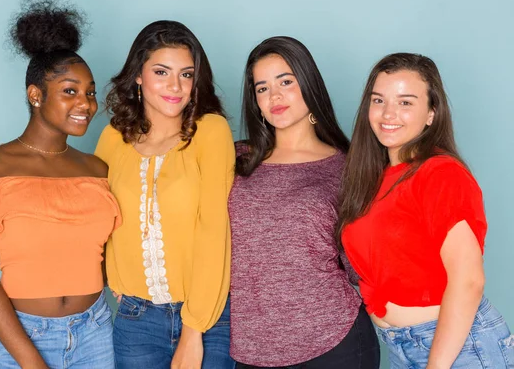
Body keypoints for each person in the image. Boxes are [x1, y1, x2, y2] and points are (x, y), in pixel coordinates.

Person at [0, 0, 121, 369]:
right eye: (70, 91)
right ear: (35, 95)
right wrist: (31, 361)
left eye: (89, 92)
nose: (86, 103)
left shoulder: (97, 170)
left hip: (97, 330)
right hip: (25, 336)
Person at [339, 52, 514, 368]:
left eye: (406, 102)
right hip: (402, 347)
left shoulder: (440, 173)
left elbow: (468, 280)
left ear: (431, 113)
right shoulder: (373, 179)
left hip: (458, 350)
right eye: (379, 100)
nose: (388, 113)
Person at [229, 36, 380, 368]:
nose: (275, 96)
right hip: (252, 347)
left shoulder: (347, 166)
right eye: (262, 88)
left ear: (308, 83)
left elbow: (363, 263)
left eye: (286, 81)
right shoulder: (235, 158)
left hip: (334, 341)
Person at [94, 20, 235, 369]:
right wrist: (114, 273)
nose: (176, 86)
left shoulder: (211, 131)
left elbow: (214, 231)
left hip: (206, 318)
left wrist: (193, 329)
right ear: (138, 75)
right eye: (161, 72)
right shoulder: (113, 137)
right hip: (136, 317)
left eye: (186, 74)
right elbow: (94, 211)